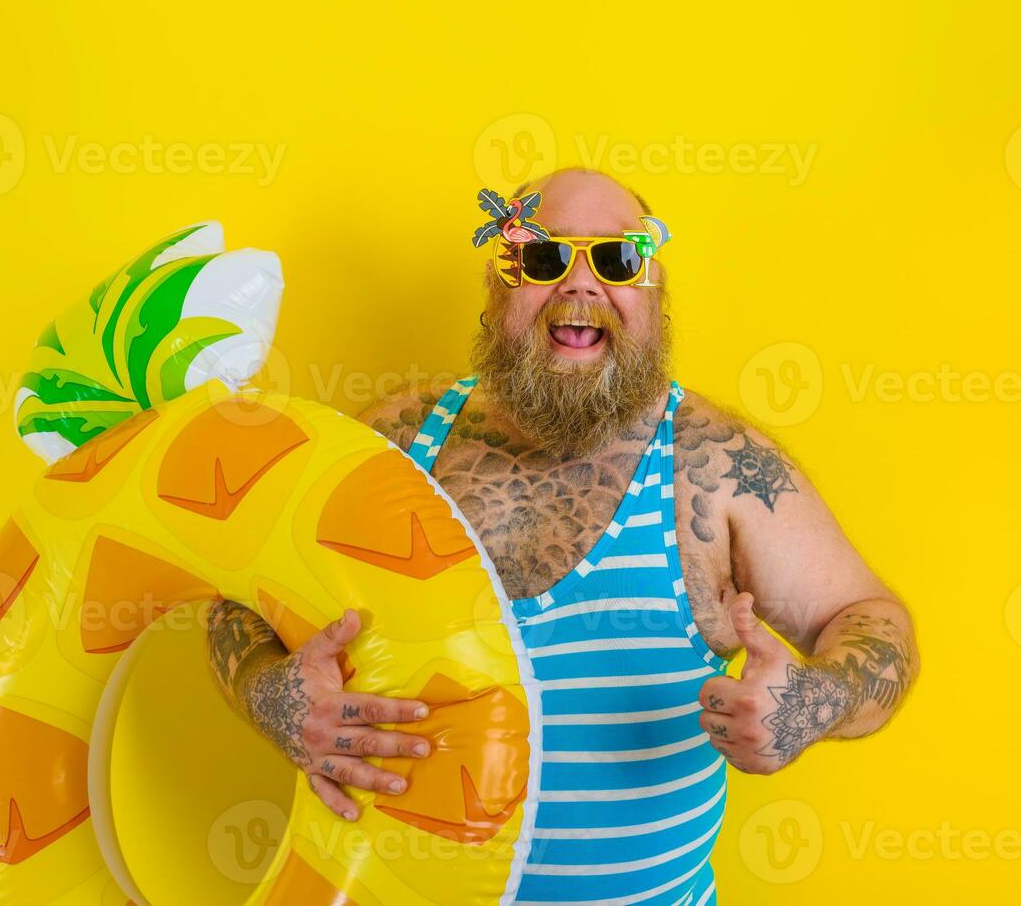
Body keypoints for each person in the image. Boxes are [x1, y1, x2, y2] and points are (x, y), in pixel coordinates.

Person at [205, 167, 919, 904]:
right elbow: (239, 592)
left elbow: (870, 619)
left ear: (654, 292)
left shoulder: (715, 470)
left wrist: (811, 704)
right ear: (497, 289)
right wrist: (273, 697)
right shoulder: (395, 441)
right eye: (543, 259)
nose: (580, 286)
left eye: (617, 259)